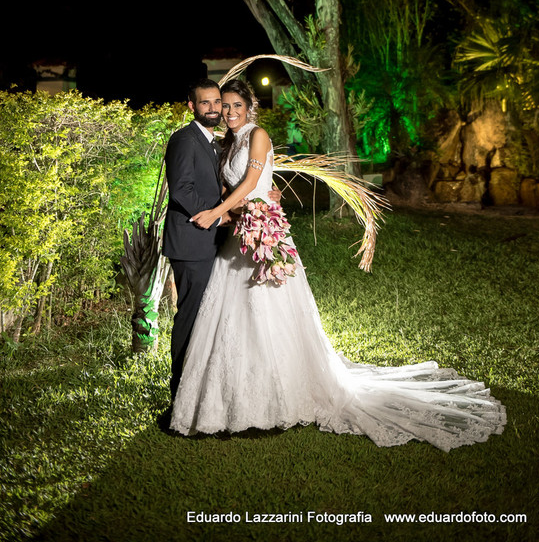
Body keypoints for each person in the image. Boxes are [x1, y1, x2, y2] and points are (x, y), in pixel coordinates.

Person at [170, 79, 506, 450]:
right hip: (241, 235)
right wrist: (248, 204)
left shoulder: (258, 135)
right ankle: (233, 392)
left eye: (236, 105)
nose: (230, 111)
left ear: (250, 107)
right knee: (232, 316)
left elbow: (250, 181)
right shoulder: (226, 142)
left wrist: (228, 209)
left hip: (263, 231)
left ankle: (281, 392)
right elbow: (233, 185)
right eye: (225, 105)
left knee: (269, 311)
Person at [163, 78, 281, 402]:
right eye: (209, 103)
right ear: (192, 106)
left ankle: (216, 388)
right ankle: (180, 394)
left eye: (221, 103)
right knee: (190, 317)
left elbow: (236, 184)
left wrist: (268, 194)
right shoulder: (184, 139)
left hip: (222, 240)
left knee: (218, 316)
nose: (218, 109)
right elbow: (182, 190)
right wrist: (219, 215)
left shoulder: (220, 143)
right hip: (191, 243)